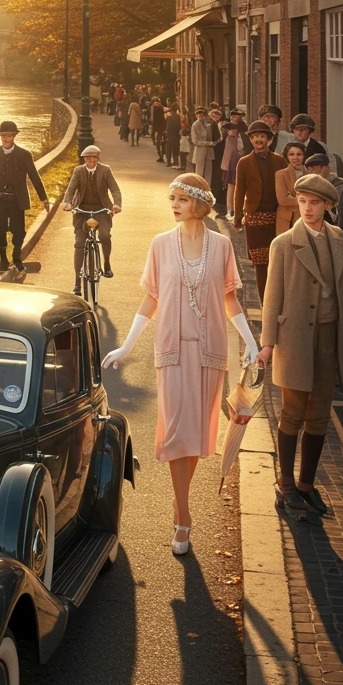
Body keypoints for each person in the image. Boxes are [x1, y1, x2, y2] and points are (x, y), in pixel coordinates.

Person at [101, 174, 257, 555]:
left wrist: (250, 340)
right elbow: (150, 300)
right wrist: (125, 347)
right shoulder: (159, 245)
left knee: (195, 434)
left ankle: (180, 502)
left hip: (210, 352)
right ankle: (183, 514)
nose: (173, 204)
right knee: (174, 432)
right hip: (170, 350)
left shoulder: (220, 246)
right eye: (171, 198)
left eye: (181, 199)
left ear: (199, 204)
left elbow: (230, 299)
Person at [258, 174, 343, 516]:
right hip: (294, 336)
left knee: (320, 414)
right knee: (292, 411)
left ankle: (307, 485)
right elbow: (271, 297)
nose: (307, 209)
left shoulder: (338, 239)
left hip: (329, 334)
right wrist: (268, 343)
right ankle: (285, 485)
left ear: (327, 205)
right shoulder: (283, 243)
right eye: (302, 201)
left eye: (314, 203)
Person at [0, 121, 50, 271]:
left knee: (18, 229)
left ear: (14, 136)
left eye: (9, 136)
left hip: (17, 200)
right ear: (0, 136)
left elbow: (34, 176)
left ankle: (16, 256)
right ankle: (3, 260)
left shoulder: (24, 155)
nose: (6, 139)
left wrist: (44, 198)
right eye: (4, 136)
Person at [233, 121, 287, 301]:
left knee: (276, 260)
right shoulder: (244, 162)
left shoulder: (279, 161)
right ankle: (265, 303)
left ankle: (277, 300)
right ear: (251, 139)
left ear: (269, 140)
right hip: (254, 217)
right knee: (259, 262)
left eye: (262, 136)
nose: (258, 140)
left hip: (276, 217)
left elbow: (287, 188)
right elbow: (239, 191)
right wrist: (238, 218)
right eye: (255, 136)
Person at [62, 144, 122, 291]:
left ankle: (106, 263)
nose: (90, 161)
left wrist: (116, 204)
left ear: (97, 158)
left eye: (93, 158)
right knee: (80, 244)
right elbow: (71, 189)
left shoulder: (105, 170)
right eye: (87, 159)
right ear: (84, 159)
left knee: (105, 235)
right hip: (82, 210)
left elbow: (114, 188)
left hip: (101, 209)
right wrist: (67, 203)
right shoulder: (78, 171)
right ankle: (77, 282)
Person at [275, 141, 307, 235]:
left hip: (306, 217)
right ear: (287, 156)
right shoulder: (281, 174)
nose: (295, 158)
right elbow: (282, 200)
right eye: (291, 154)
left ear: (304, 156)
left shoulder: (310, 173)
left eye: (299, 154)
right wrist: (306, 200)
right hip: (287, 219)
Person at [222, 119, 251, 221]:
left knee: (238, 188)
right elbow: (235, 150)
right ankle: (229, 209)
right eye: (230, 130)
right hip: (231, 166)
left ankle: (237, 209)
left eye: (234, 130)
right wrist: (241, 153)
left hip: (237, 165)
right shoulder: (229, 139)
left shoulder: (240, 138)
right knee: (231, 188)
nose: (232, 132)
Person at [190, 106, 215, 180]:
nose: (200, 116)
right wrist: (208, 143)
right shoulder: (195, 125)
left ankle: (207, 187)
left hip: (209, 150)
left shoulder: (208, 124)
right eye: (198, 114)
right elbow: (194, 141)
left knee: (208, 170)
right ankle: (198, 187)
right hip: (200, 150)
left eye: (202, 114)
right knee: (199, 171)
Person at [151, 97, 167, 162]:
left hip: (157, 128)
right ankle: (161, 155)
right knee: (161, 142)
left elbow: (154, 119)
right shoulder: (161, 108)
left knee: (158, 142)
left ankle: (160, 156)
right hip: (161, 127)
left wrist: (154, 129)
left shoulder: (155, 109)